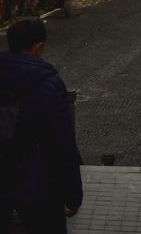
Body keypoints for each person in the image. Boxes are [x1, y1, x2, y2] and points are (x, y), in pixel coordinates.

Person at [0, 18, 83, 234]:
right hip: (36, 184)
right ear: (39, 47)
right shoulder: (49, 84)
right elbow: (62, 146)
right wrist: (73, 195)